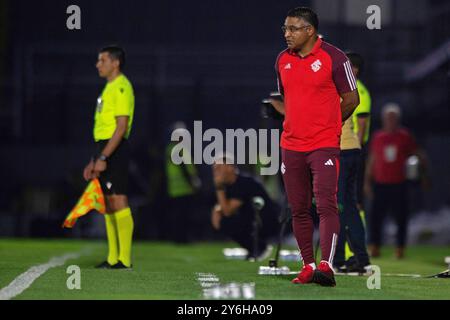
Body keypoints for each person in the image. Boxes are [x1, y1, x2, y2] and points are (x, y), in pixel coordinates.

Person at [269, 7, 359, 286]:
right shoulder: (282, 60)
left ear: (310, 31)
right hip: (291, 145)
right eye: (285, 28)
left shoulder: (335, 58)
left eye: (293, 29)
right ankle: (308, 266)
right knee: (297, 208)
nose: (287, 34)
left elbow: (352, 99)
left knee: (326, 203)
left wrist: (330, 126)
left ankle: (327, 265)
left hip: (323, 144)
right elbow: (290, 99)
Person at [83, 46, 135, 269]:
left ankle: (124, 259)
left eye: (102, 60)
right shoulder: (108, 88)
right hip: (104, 147)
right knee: (108, 202)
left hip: (116, 148)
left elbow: (121, 127)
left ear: (115, 63)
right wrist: (95, 158)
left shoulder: (121, 87)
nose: (98, 64)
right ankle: (113, 257)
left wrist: (103, 156)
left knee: (118, 199)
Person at [364, 103, 429, 259]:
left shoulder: (404, 136)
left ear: (398, 119)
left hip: (399, 183)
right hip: (381, 183)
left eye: (393, 118)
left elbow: (418, 154)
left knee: (401, 217)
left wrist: (423, 175)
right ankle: (374, 247)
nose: (390, 120)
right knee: (376, 217)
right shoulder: (378, 137)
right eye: (388, 117)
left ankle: (400, 248)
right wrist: (367, 181)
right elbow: (372, 159)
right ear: (383, 119)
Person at [333, 52, 371, 273]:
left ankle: (336, 258)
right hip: (352, 151)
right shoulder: (354, 88)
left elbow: (362, 124)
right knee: (350, 207)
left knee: (336, 207)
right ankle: (360, 256)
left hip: (341, 151)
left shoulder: (341, 87)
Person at [211, 155, 279, 261]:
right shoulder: (230, 184)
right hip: (251, 220)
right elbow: (225, 207)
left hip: (265, 222)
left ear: (230, 167)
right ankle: (254, 249)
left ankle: (259, 248)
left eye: (219, 167)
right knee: (226, 221)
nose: (216, 171)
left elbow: (228, 211)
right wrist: (217, 209)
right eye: (215, 168)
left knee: (227, 222)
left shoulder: (243, 183)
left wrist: (219, 188)